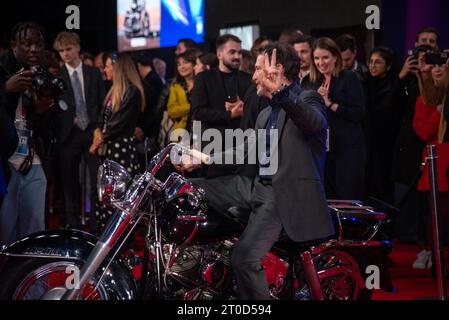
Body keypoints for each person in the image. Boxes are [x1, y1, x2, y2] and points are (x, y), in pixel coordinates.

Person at [179, 42, 334, 299]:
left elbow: (314, 121)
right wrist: (202, 158)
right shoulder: (265, 114)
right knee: (190, 190)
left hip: (282, 195)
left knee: (243, 257)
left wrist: (283, 93)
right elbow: (245, 151)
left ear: (277, 71)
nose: (252, 76)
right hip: (254, 188)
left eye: (259, 69)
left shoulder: (308, 98)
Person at [0, 22, 54, 246]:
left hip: (34, 160)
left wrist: (43, 108)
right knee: (5, 229)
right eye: (27, 44)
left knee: (35, 231)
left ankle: (33, 280)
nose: (34, 49)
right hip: (5, 163)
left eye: (39, 45)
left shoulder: (40, 75)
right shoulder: (2, 72)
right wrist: (5, 89)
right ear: (14, 46)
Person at [53, 32, 105, 229]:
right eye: (61, 51)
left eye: (68, 49)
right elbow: (54, 109)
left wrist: (99, 128)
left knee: (95, 182)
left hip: (92, 132)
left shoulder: (93, 73)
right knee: (69, 183)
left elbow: (101, 103)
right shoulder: (57, 77)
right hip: (68, 135)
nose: (65, 54)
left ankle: (95, 224)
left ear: (77, 47)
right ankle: (73, 225)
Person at [393, 27, 439, 242]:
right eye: (424, 41)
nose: (428, 45)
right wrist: (402, 77)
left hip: (436, 148)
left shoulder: (441, 80)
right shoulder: (407, 81)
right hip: (410, 146)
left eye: (432, 42)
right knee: (412, 200)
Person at [89, 52, 145, 230]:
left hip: (121, 152)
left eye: (107, 66)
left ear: (118, 67)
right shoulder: (112, 91)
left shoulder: (132, 92)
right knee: (107, 195)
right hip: (109, 151)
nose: (105, 69)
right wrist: (98, 131)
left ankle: (120, 244)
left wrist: (98, 140)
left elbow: (118, 124)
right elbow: (102, 119)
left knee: (120, 198)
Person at [306, 37, 366, 200]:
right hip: (322, 149)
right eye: (317, 58)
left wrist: (330, 104)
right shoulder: (310, 81)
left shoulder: (349, 78)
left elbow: (358, 113)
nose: (321, 62)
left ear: (335, 57)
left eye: (325, 57)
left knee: (347, 196)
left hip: (348, 149)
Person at [191, 34, 252, 178]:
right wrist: (229, 115)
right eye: (232, 52)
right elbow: (198, 112)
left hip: (241, 150)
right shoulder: (204, 78)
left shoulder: (248, 79)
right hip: (213, 149)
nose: (237, 56)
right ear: (219, 54)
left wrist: (245, 108)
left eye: (239, 52)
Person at [412, 61, 449, 269]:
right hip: (435, 162)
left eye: (441, 66)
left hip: (444, 160)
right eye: (433, 67)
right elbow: (423, 131)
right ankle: (433, 255)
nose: (436, 70)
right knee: (434, 215)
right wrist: (438, 113)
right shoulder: (422, 100)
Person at [364, 47, 401, 204]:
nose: (373, 66)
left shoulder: (395, 84)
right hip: (368, 140)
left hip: (387, 142)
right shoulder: (363, 83)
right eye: (371, 62)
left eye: (378, 62)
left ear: (388, 65)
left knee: (384, 185)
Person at [166, 50, 197, 139]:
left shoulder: (202, 84)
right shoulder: (175, 87)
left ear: (194, 64)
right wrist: (193, 107)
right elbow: (172, 111)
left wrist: (182, 109)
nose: (182, 67)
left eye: (185, 62)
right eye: (179, 64)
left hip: (201, 130)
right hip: (181, 133)